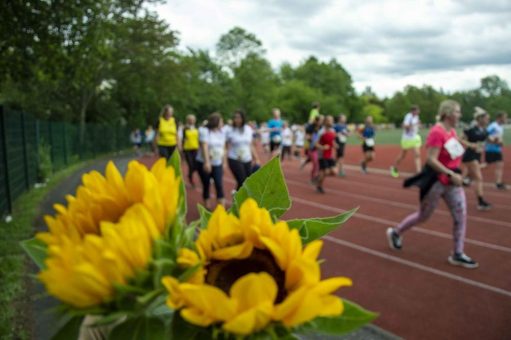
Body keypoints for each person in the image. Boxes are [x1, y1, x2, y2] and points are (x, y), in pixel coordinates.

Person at [386, 99, 478, 269]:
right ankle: (395, 232)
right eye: (457, 111)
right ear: (448, 113)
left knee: (461, 216)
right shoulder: (437, 131)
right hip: (436, 181)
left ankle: (458, 253)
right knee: (424, 215)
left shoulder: (451, 131)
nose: (460, 114)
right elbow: (431, 159)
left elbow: (455, 147)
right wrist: (450, 174)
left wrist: (470, 146)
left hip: (452, 182)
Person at [461, 107, 491, 210]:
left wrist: (496, 141)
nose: (488, 120)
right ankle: (480, 202)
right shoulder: (471, 129)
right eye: (486, 118)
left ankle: (451, 187)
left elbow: (487, 140)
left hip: (478, 156)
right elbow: (460, 139)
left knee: (467, 178)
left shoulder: (485, 131)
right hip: (470, 155)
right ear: (480, 119)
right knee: (479, 178)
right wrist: (470, 144)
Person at [196, 112, 226, 209]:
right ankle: (207, 206)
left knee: (219, 184)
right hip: (204, 162)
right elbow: (204, 146)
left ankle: (221, 208)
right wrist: (207, 162)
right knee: (206, 184)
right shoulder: (205, 131)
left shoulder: (221, 133)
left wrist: (224, 162)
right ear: (216, 121)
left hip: (217, 163)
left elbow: (223, 148)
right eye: (221, 121)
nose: (222, 123)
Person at [226, 110, 261, 190]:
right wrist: (224, 160)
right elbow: (225, 145)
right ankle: (238, 199)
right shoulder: (229, 130)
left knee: (246, 182)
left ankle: (237, 197)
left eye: (238, 117)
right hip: (234, 158)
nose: (236, 119)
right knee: (242, 181)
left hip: (247, 159)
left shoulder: (248, 129)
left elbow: (250, 145)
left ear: (243, 118)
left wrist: (256, 158)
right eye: (235, 118)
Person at [391, 105, 422, 177]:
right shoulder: (408, 116)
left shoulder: (416, 117)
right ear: (413, 111)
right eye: (417, 110)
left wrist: (418, 125)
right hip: (407, 138)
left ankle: (419, 172)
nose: (418, 112)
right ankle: (394, 167)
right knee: (402, 155)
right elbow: (404, 126)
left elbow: (416, 126)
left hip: (414, 137)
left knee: (417, 154)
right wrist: (414, 124)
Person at [485, 111, 508, 190]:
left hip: (497, 149)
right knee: (486, 165)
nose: (506, 119)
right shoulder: (493, 126)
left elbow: (497, 137)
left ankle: (498, 183)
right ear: (499, 118)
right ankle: (468, 175)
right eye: (504, 117)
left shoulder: (500, 127)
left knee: (500, 165)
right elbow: (486, 134)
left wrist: (500, 142)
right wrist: (494, 141)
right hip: (490, 149)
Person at [315, 115, 337, 193]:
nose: (331, 122)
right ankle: (319, 186)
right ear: (325, 122)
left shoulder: (333, 131)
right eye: (329, 120)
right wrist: (322, 147)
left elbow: (332, 141)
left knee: (334, 172)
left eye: (332, 120)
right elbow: (316, 144)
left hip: (330, 154)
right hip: (322, 155)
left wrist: (335, 145)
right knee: (325, 172)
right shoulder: (321, 131)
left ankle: (318, 178)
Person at [302, 115, 324, 184]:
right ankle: (312, 178)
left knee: (318, 163)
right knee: (315, 163)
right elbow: (306, 137)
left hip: (319, 148)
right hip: (311, 147)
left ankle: (316, 177)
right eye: (321, 120)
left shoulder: (321, 127)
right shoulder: (310, 127)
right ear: (317, 121)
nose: (322, 122)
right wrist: (312, 139)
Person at [181, 114, 199, 188]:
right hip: (187, 149)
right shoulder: (184, 129)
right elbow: (183, 139)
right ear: (187, 120)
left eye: (193, 119)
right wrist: (181, 149)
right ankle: (191, 179)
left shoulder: (197, 128)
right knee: (191, 165)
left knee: (195, 166)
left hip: (195, 148)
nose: (191, 121)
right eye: (190, 119)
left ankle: (189, 175)